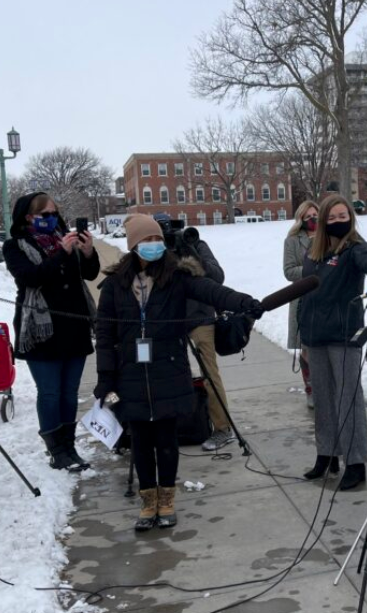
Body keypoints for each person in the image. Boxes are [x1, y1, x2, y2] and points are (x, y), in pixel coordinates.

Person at [93, 214, 263, 531]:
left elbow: (212, 291)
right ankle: (148, 502)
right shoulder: (115, 285)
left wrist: (244, 302)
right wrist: (106, 378)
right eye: (147, 241)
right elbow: (104, 335)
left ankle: (167, 499)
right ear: (133, 246)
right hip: (131, 373)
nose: (154, 245)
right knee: (140, 441)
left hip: (168, 369)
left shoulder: (176, 276)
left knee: (167, 441)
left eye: (157, 239)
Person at [297, 195, 367, 491]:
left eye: (344, 216)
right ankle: (327, 455)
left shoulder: (354, 247)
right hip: (315, 336)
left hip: (343, 336)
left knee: (347, 398)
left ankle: (355, 463)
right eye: (333, 217)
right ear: (323, 220)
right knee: (324, 399)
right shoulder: (314, 252)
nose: (340, 222)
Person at [2, 191, 99, 472]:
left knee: (69, 392)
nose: (52, 219)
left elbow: (90, 274)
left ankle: (69, 446)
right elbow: (30, 278)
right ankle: (56, 450)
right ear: (28, 217)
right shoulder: (15, 246)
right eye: (45, 215)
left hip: (74, 324)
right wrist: (61, 254)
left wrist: (88, 251)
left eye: (55, 214)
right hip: (41, 329)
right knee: (50, 392)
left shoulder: (64, 239)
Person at [152, 213, 234, 452]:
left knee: (210, 375)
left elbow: (217, 277)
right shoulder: (153, 249)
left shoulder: (195, 244)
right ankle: (170, 426)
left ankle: (222, 428)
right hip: (169, 322)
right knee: (167, 375)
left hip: (199, 319)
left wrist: (190, 251)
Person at [283, 200, 319, 409]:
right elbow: (289, 271)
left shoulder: (330, 236)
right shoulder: (293, 241)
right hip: (302, 299)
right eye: (308, 216)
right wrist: (313, 271)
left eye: (315, 214)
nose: (312, 219)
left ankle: (325, 387)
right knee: (306, 349)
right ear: (301, 219)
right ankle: (311, 389)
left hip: (326, 298)